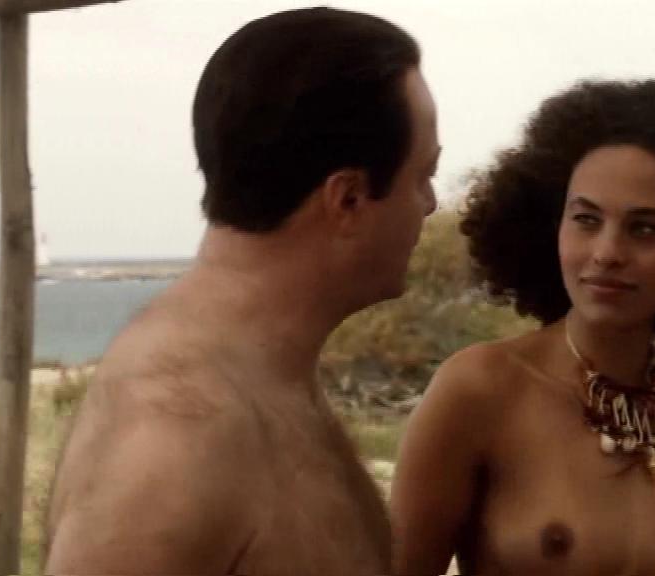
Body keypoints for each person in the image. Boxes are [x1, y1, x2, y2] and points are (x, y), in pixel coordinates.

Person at [45, 8, 439, 574]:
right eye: (423, 176)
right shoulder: (174, 439)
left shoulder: (260, 373)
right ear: (348, 199)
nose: (431, 204)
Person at [390, 80, 655, 576]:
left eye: (644, 228)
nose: (607, 252)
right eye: (586, 220)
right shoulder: (481, 389)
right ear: (553, 225)